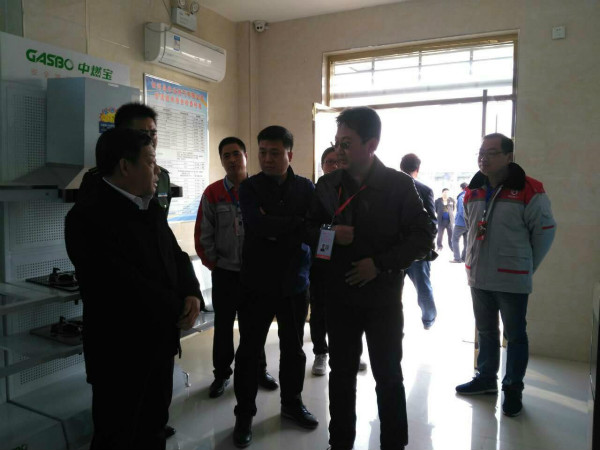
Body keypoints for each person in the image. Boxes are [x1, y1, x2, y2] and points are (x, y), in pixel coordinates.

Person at [65, 128, 202, 450]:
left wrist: (192, 292)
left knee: (154, 428)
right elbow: (121, 286)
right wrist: (176, 307)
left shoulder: (148, 207)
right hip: (120, 354)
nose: (158, 170)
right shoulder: (87, 218)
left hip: (159, 344)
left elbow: (176, 255)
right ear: (125, 167)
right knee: (117, 434)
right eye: (151, 161)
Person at [307, 107, 435, 450]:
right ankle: (340, 443)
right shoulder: (327, 185)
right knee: (341, 375)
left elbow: (424, 237)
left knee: (388, 376)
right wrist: (330, 234)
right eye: (336, 143)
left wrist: (379, 264)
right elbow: (308, 230)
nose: (338, 151)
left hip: (383, 300)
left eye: (346, 144)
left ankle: (393, 444)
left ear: (371, 144)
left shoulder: (399, 185)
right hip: (339, 298)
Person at [455, 133, 556, 417]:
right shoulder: (474, 189)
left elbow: (545, 232)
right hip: (479, 275)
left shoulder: (529, 189)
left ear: (508, 157)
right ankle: (486, 379)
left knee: (515, 335)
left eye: (491, 153)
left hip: (512, 277)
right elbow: (472, 228)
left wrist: (526, 265)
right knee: (485, 331)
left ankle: (512, 388)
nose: (483, 158)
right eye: (481, 153)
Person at [232, 126, 318, 448]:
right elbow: (257, 224)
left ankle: (292, 404)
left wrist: (279, 225)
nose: (267, 159)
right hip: (256, 283)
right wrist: (295, 223)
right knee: (249, 351)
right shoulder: (249, 187)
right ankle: (244, 415)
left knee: (293, 350)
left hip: (295, 283)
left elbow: (313, 229)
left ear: (289, 154)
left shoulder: (306, 188)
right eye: (263, 152)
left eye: (275, 152)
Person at [194, 137, 278, 399]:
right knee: (223, 327)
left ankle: (259, 370)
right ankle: (221, 374)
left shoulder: (260, 189)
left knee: (255, 326)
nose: (232, 160)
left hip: (255, 274)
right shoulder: (212, 193)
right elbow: (203, 235)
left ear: (245, 156)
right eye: (226, 156)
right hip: (225, 274)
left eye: (236, 154)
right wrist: (215, 264)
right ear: (221, 160)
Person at [311, 148, 368, 376]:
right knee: (320, 308)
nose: (334, 165)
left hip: (351, 261)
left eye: (337, 161)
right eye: (329, 162)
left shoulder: (356, 189)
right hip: (322, 259)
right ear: (322, 165)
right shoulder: (318, 190)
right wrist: (331, 231)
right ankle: (320, 352)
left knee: (352, 309)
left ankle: (352, 351)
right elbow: (308, 225)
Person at [400, 153, 438, 329]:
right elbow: (432, 223)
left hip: (395, 249)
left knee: (394, 290)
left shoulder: (390, 188)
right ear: (417, 168)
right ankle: (428, 320)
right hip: (418, 251)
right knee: (423, 288)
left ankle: (394, 323)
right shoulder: (425, 189)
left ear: (401, 166)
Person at [450, 182, 469, 263]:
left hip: (460, 223)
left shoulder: (461, 197)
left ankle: (457, 258)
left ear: (461, 188)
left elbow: (461, 211)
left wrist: (466, 221)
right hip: (468, 224)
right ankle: (464, 258)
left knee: (454, 239)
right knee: (466, 241)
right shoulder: (470, 195)